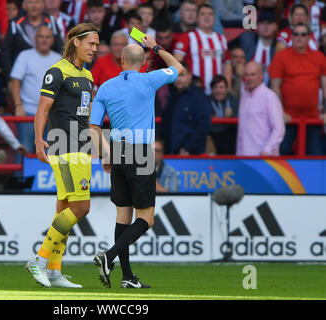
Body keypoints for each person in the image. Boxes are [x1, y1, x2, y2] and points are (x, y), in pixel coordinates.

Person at [89, 35, 184, 288]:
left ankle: (128, 277)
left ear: (121, 61)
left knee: (123, 215)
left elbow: (93, 128)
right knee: (146, 219)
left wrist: (104, 154)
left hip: (117, 150)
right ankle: (108, 257)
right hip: (140, 151)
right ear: (143, 63)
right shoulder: (149, 79)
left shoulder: (106, 87)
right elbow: (179, 67)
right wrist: (156, 47)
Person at [26, 23, 99, 288]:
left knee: (65, 209)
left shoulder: (88, 76)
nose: (95, 49)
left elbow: (85, 114)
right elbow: (42, 109)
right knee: (81, 207)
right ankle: (40, 259)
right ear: (76, 42)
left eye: (97, 45)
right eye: (91, 43)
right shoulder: (56, 72)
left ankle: (55, 270)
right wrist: (38, 139)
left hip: (81, 145)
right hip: (65, 144)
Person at [269, 22, 326, 155]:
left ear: (309, 37)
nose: (299, 37)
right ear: (291, 37)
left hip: (313, 116)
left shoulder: (319, 57)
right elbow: (275, 88)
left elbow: (325, 87)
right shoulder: (281, 57)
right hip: (288, 117)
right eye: (296, 34)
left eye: (303, 34)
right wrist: (280, 112)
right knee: (283, 151)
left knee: (314, 153)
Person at [9, 25, 61, 154]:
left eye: (47, 37)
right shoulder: (25, 56)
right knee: (24, 151)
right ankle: (21, 176)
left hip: (50, 115)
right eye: (41, 36)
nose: (44, 40)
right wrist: (18, 105)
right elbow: (14, 82)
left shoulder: (59, 59)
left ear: (52, 40)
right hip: (28, 113)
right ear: (35, 39)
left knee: (49, 153)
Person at [174, 3, 232, 95]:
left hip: (217, 94)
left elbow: (227, 65)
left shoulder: (222, 39)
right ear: (196, 18)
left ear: (214, 18)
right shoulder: (187, 36)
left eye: (210, 14)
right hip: (193, 92)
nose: (207, 17)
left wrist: (227, 88)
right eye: (203, 14)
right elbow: (177, 63)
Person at [160, 62, 211, 155]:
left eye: (182, 75)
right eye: (176, 75)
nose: (178, 79)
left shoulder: (199, 97)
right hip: (170, 151)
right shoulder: (172, 95)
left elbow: (204, 125)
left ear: (190, 76)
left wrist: (187, 147)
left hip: (191, 154)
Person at [2, 0, 63, 76]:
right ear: (24, 5)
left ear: (42, 5)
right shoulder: (15, 24)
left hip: (48, 72)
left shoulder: (51, 22)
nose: (34, 6)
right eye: (30, 2)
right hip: (22, 75)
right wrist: (10, 77)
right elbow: (7, 52)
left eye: (37, 2)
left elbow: (59, 47)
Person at [237, 61, 285, 156]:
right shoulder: (244, 96)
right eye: (246, 75)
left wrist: (267, 150)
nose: (249, 78)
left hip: (264, 159)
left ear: (262, 76)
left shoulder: (270, 97)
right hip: (244, 158)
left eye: (253, 74)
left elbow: (279, 128)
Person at [232, 11, 278, 86]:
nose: (265, 26)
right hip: (245, 87)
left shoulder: (278, 47)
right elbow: (228, 47)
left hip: (269, 90)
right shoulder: (247, 39)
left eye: (269, 23)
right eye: (262, 23)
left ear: (275, 27)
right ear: (257, 26)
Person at [208, 74, 238, 155]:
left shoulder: (233, 101)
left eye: (221, 87)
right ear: (211, 89)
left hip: (230, 139)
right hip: (213, 138)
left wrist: (231, 117)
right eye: (216, 87)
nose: (219, 91)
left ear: (227, 88)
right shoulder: (206, 102)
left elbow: (240, 124)